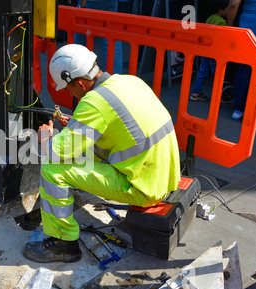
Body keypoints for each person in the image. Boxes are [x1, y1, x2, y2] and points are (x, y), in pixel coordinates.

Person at [23, 44, 181, 263]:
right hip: (167, 176)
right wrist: (78, 123)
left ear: (79, 82)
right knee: (83, 148)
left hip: (145, 189)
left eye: (69, 89)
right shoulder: (129, 81)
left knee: (51, 168)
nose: (70, 93)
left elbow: (56, 152)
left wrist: (45, 136)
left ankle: (63, 244)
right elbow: (119, 125)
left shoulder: (94, 103)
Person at [227, 0, 256, 122]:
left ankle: (238, 109)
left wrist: (230, 26)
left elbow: (233, 4)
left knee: (244, 69)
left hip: (246, 27)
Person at [190, 0, 230, 102]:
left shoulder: (210, 18)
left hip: (205, 51)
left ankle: (196, 93)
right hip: (214, 53)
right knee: (218, 74)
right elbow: (221, 39)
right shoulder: (222, 22)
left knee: (203, 72)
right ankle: (219, 96)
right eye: (227, 8)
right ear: (221, 9)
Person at [74, 0, 123, 74]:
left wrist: (82, 6)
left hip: (89, 3)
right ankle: (115, 78)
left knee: (81, 40)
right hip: (110, 3)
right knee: (112, 40)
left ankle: (78, 73)